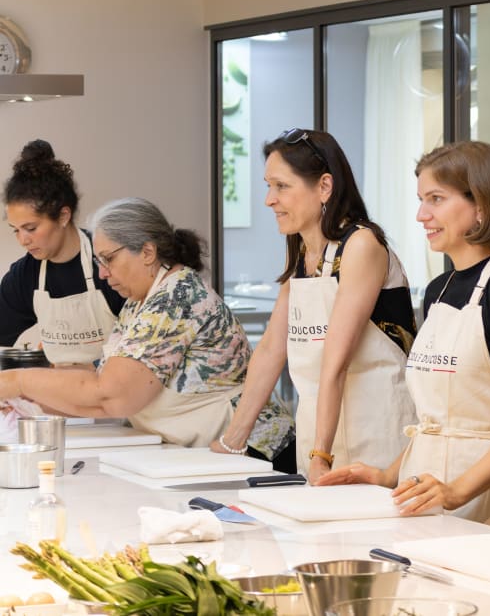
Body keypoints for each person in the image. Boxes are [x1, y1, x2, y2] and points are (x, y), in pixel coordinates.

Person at [319, 141, 490, 532]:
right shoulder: (437, 290)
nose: (421, 215)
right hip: (421, 491)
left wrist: (458, 491)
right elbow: (437, 422)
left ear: (482, 204)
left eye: (436, 199)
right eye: (420, 200)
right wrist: (386, 475)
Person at [0, 197, 294, 464]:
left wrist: (19, 382)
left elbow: (113, 396)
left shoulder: (176, 297)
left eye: (109, 259)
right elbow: (100, 378)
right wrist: (30, 401)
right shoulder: (137, 303)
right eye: (98, 262)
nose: (103, 273)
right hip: (203, 451)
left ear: (147, 252)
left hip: (254, 452)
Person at [213, 128, 417, 482]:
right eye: (268, 186)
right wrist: (233, 441)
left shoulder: (361, 245)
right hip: (319, 436)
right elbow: (270, 353)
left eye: (281, 186)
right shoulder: (304, 256)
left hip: (378, 436)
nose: (269, 200)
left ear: (324, 186)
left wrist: (322, 454)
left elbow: (334, 361)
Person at [0, 140, 124, 365]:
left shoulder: (109, 262)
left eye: (31, 228)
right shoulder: (25, 275)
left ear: (63, 216)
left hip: (119, 392)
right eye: (15, 231)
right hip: (60, 394)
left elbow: (144, 349)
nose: (23, 240)